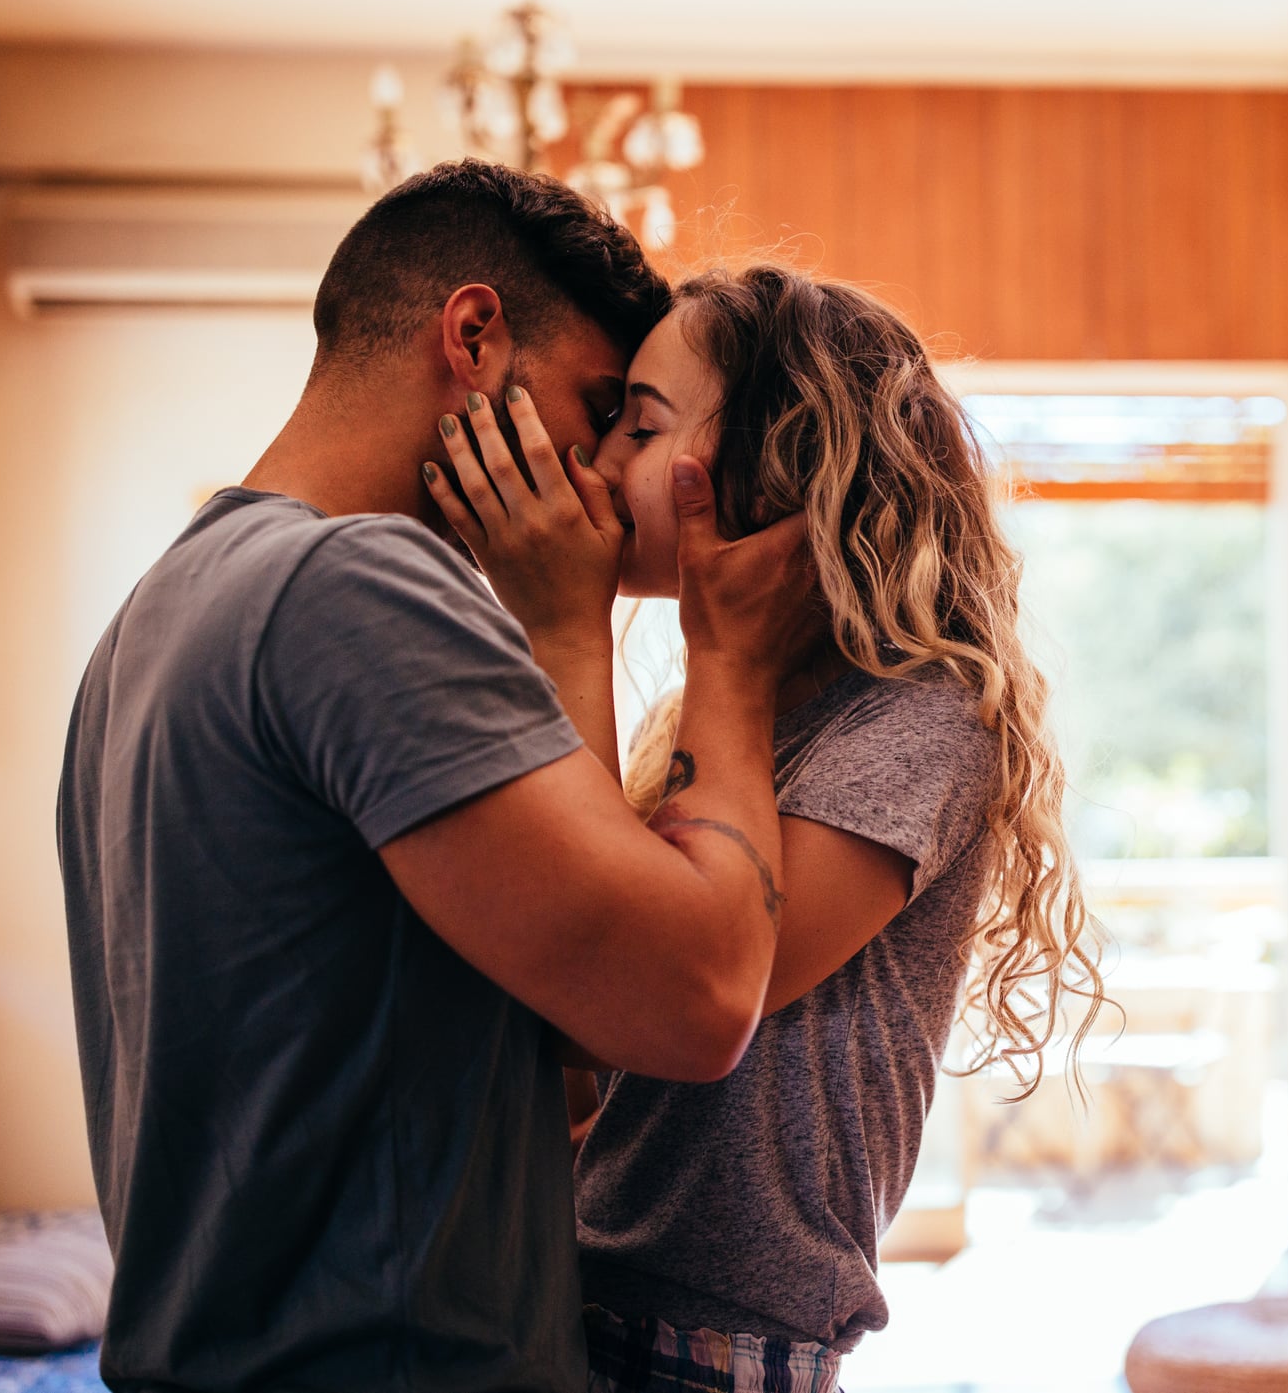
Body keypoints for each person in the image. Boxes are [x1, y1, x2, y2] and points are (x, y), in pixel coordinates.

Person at [56, 163, 816, 1393]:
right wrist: (728, 657)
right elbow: (695, 995)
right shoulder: (359, 588)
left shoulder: (153, 615)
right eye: (599, 408)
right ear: (472, 338)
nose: (606, 478)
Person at [429, 263, 1108, 1393]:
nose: (596, 466)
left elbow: (647, 991)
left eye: (637, 429)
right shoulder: (712, 714)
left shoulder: (922, 719)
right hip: (589, 1310)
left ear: (778, 457)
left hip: (719, 1351)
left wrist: (572, 627)